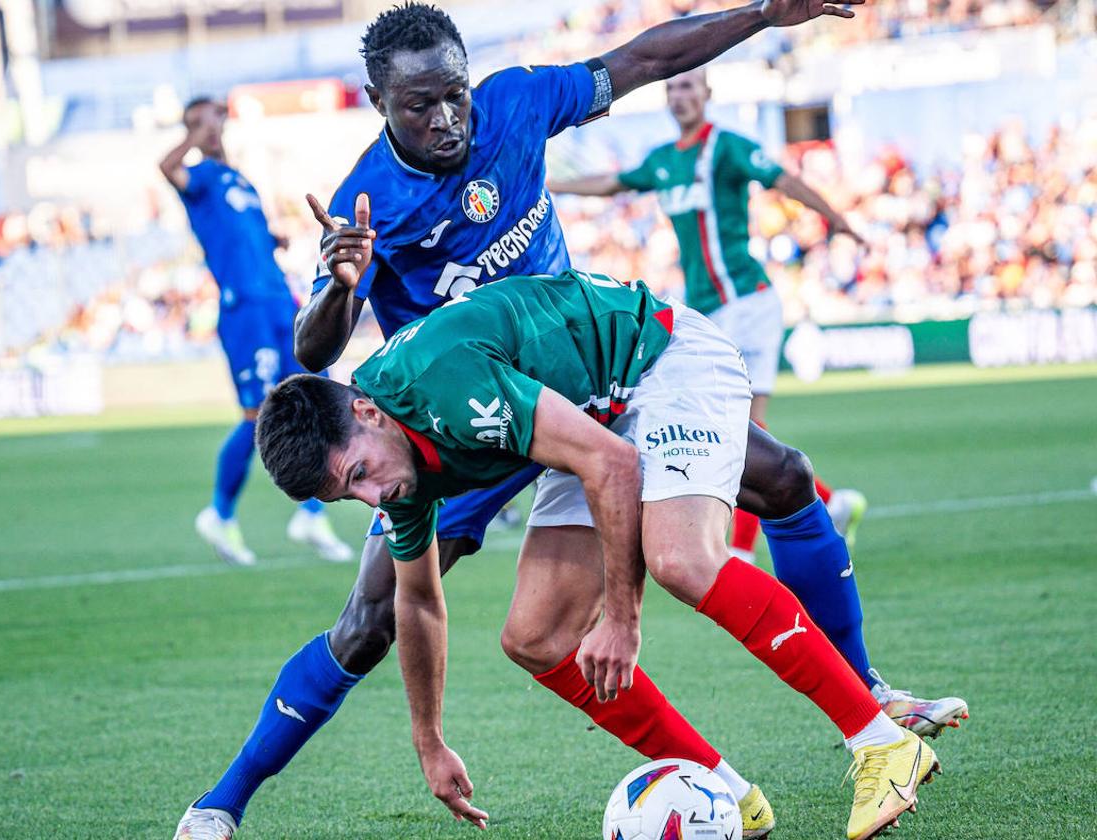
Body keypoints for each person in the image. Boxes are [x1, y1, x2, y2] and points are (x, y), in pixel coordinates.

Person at [173, 3, 965, 837]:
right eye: (419, 106)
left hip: (584, 373)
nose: (445, 118)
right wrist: (341, 285)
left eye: (455, 95)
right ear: (379, 103)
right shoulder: (367, 203)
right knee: (386, 617)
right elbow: (314, 351)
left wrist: (767, 14)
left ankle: (867, 702)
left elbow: (649, 56)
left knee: (781, 481)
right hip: (455, 422)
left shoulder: (515, 105)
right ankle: (222, 802)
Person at [255, 269, 944, 840]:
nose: (373, 498)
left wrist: (621, 617)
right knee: (537, 636)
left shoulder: (442, 382)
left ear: (369, 413)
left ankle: (880, 739)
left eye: (359, 476)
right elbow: (417, 598)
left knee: (682, 560)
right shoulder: (391, 466)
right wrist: (429, 741)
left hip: (661, 359)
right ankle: (727, 796)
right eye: (351, 497)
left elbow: (612, 467)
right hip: (598, 418)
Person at [549, 66, 869, 564]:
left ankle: (738, 552)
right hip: (707, 313)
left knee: (739, 427)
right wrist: (548, 185)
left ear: (707, 94)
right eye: (673, 88)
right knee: (739, 430)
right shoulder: (662, 162)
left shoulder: (727, 147)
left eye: (688, 87)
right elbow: (611, 182)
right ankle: (830, 503)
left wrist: (840, 222)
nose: (680, 96)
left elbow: (784, 180)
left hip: (749, 301)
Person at [159, 97, 352, 566]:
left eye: (214, 118)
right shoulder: (199, 179)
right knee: (259, 412)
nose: (210, 127)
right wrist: (192, 137)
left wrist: (276, 239)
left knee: (314, 394)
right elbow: (167, 167)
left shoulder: (241, 181)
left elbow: (251, 238)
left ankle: (310, 514)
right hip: (243, 306)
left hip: (277, 301)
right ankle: (220, 514)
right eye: (198, 122)